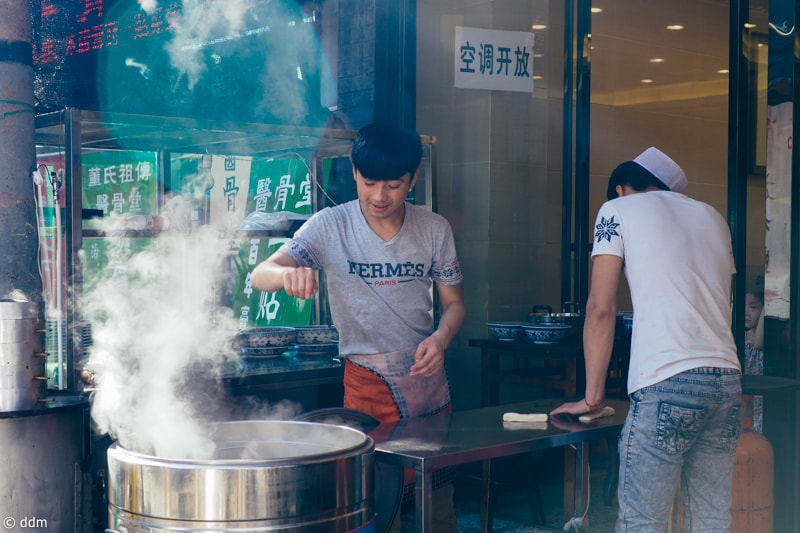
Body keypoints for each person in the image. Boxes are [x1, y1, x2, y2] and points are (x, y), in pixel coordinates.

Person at [250, 122, 465, 532]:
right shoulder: (329, 225)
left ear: (413, 179)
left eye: (394, 186)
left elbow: (454, 305)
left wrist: (441, 337)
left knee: (437, 507)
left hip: (428, 383)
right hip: (366, 387)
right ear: (353, 170)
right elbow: (262, 273)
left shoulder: (435, 229)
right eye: (369, 183)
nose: (379, 197)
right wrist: (285, 276)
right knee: (378, 504)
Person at [551, 147, 742, 532]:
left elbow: (601, 308)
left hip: (668, 381)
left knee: (642, 523)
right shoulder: (713, 216)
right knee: (711, 519)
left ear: (620, 189)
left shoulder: (616, 211)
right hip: (726, 381)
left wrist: (592, 397)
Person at [744, 289, 765, 433]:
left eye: (753, 307)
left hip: (760, 393)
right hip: (746, 393)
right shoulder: (741, 337)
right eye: (744, 307)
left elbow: (758, 343)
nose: (746, 312)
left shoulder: (762, 339)